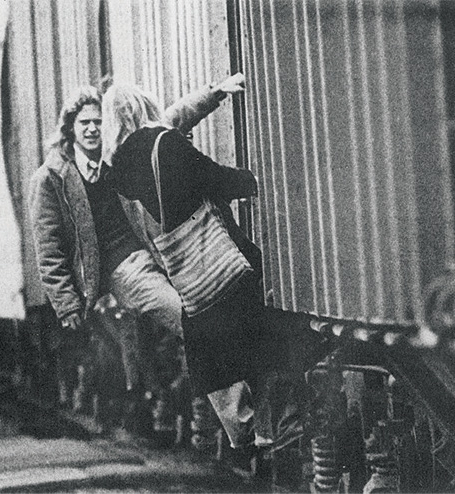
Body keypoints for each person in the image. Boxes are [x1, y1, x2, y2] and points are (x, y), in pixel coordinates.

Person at [28, 77, 244, 428]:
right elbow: (48, 250)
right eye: (84, 123)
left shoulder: (118, 155)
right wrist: (67, 305)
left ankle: (231, 420)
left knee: (220, 314)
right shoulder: (51, 178)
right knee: (193, 323)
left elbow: (168, 121)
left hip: (157, 253)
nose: (93, 129)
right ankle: (242, 424)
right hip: (122, 271)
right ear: (70, 129)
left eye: (99, 122)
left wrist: (214, 94)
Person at [101, 82, 305, 450]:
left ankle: (247, 428)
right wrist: (261, 182)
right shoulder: (166, 143)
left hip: (188, 271)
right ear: (145, 106)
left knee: (215, 343)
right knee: (266, 328)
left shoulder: (123, 167)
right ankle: (277, 424)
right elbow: (213, 178)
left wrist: (212, 94)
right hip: (219, 257)